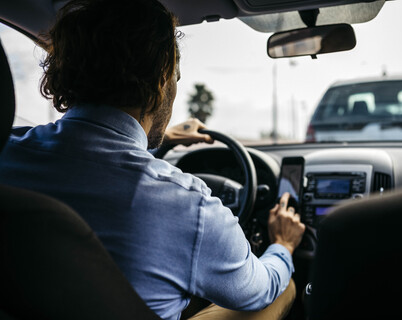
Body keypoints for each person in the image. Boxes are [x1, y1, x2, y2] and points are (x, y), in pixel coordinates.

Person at [0, 0, 305, 319]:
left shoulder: (8, 151)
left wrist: (158, 138)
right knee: (282, 289)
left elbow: (91, 157)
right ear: (162, 80)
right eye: (176, 76)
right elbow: (257, 289)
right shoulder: (188, 205)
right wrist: (283, 244)